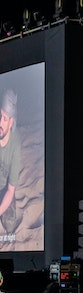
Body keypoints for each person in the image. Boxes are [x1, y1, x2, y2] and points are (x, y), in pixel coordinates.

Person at [0, 88, 21, 234]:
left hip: (4, 189)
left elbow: (10, 190)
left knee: (9, 224)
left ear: (11, 122)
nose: (0, 122)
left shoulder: (15, 145)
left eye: (5, 119)